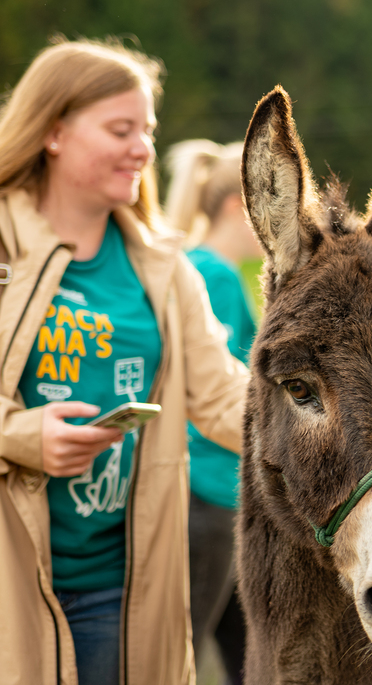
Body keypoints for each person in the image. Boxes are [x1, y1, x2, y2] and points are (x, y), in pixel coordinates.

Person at [0, 38, 250, 684]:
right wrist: (16, 436)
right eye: (120, 129)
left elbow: (224, 398)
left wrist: (359, 433)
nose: (143, 149)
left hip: (120, 596)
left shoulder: (165, 269)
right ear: (53, 131)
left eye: (147, 130)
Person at [165, 139, 261, 684]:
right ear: (234, 206)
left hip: (208, 490)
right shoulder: (215, 277)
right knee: (188, 647)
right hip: (211, 490)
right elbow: (216, 392)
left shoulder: (198, 268)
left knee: (240, 647)